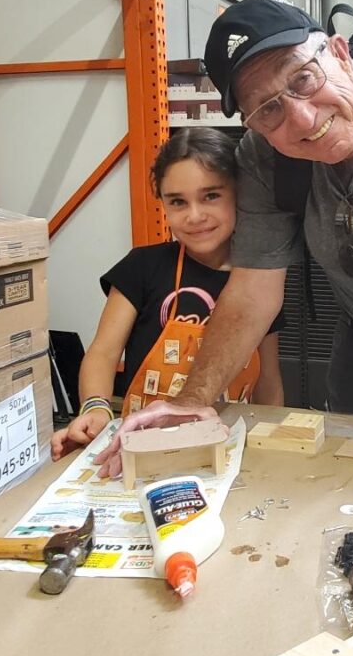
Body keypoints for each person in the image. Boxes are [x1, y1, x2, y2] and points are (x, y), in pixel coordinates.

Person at [93, 0, 353, 478]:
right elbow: (254, 288)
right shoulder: (264, 157)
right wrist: (194, 399)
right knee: (349, 473)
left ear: (339, 53)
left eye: (302, 79)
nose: (300, 119)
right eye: (267, 111)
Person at [51, 128, 284, 461]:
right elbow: (103, 352)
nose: (194, 215)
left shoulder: (260, 283)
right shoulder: (143, 266)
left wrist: (270, 442)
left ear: (241, 195)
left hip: (226, 449)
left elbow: (269, 381)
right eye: (177, 201)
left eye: (211, 196)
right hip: (142, 446)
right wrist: (96, 407)